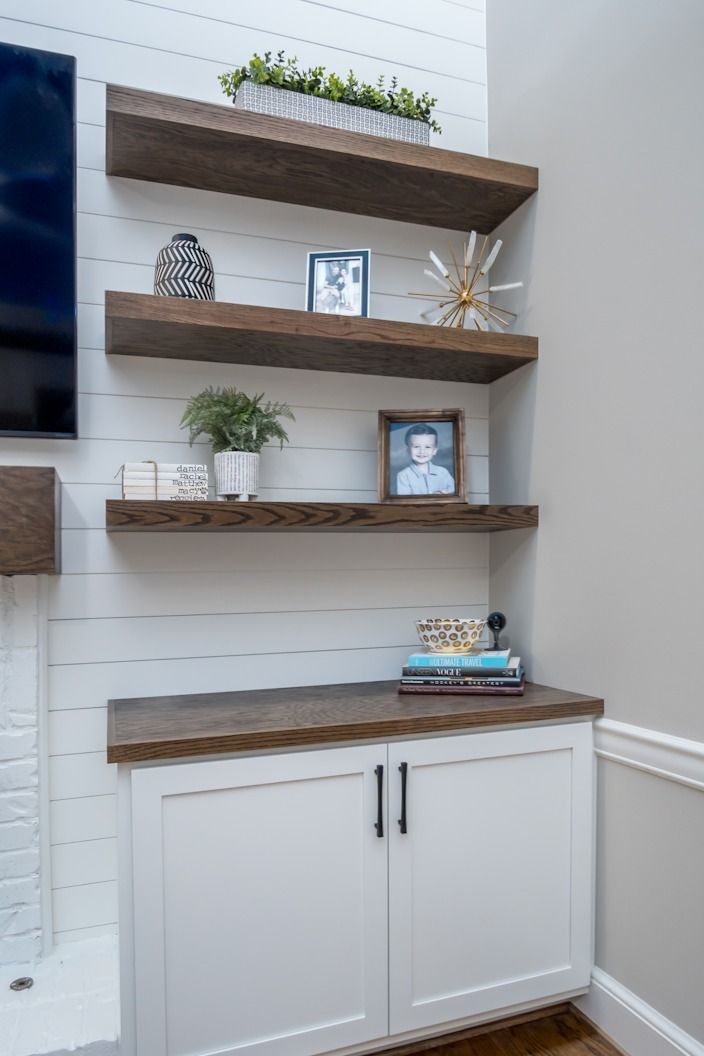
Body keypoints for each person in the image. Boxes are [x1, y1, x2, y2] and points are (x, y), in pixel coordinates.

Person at [395, 423, 456, 496]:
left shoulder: (443, 472)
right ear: (408, 450)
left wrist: (445, 492)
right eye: (416, 446)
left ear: (435, 450)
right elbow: (405, 501)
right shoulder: (403, 475)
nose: (422, 451)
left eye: (427, 447)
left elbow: (455, 491)